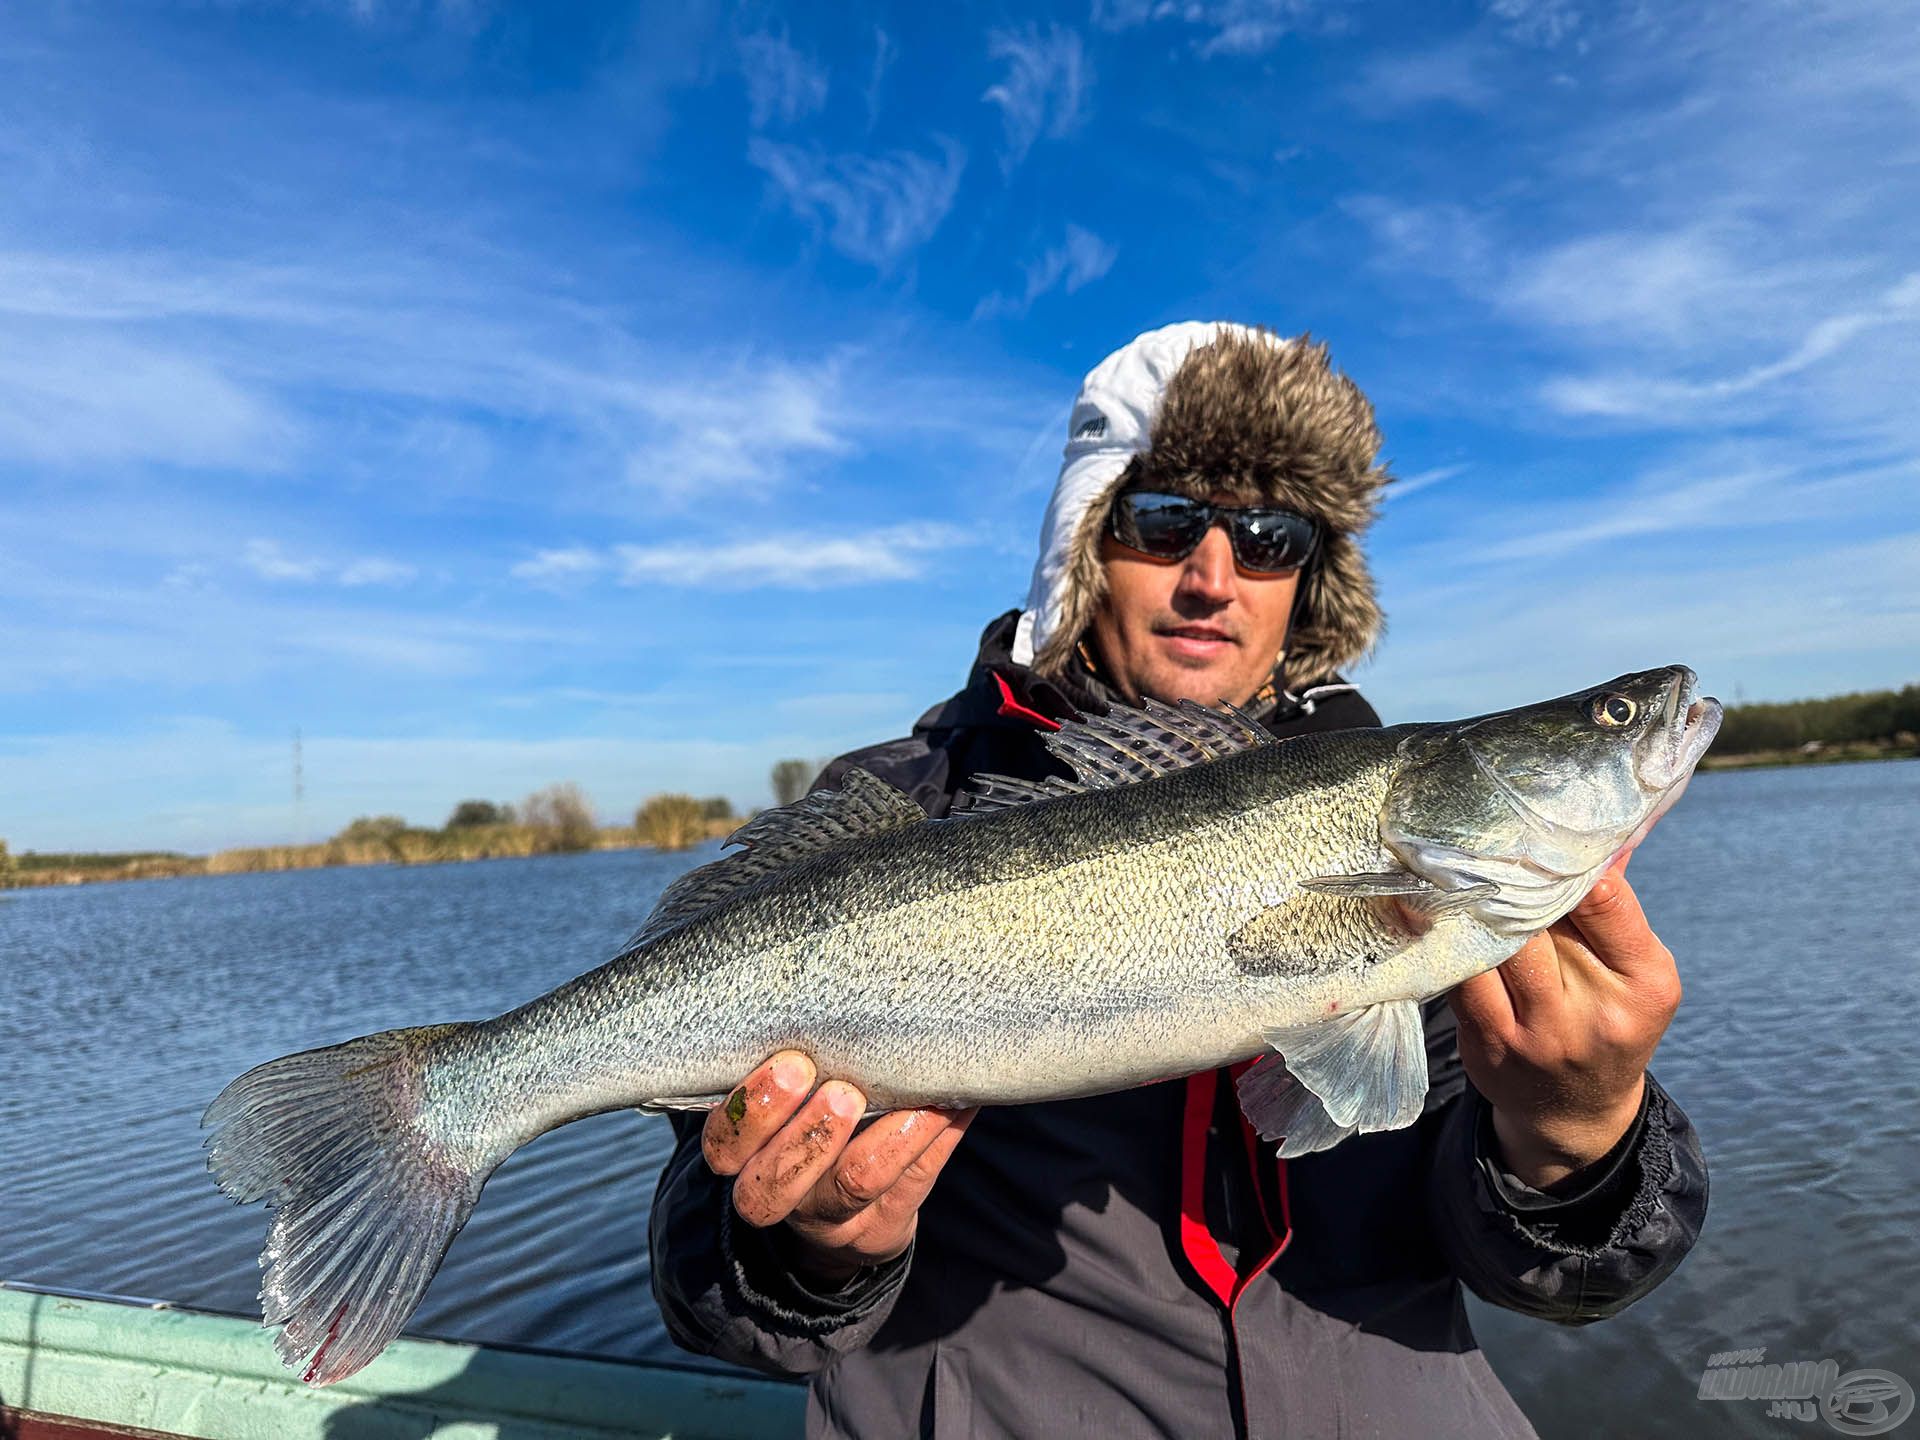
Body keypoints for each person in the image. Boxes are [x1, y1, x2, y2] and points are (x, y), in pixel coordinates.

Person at [650, 322, 1708, 1439]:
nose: (1213, 576)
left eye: (1269, 537)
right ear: (1084, 545)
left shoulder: (1430, 863)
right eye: (1164, 523)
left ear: (1309, 583)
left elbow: (1560, 1278)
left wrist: (1577, 1132)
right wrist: (801, 1246)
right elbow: (710, 1288)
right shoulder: (901, 813)